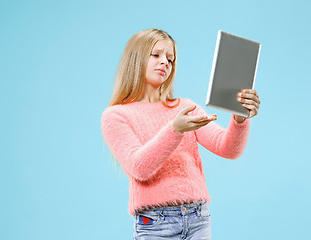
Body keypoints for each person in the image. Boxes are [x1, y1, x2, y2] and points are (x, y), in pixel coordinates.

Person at [101, 29, 261, 240]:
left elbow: (228, 149)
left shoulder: (185, 108)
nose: (165, 62)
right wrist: (174, 130)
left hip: (198, 219)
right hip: (155, 225)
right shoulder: (116, 116)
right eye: (156, 55)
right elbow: (139, 168)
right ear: (136, 58)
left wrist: (240, 118)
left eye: (170, 59)